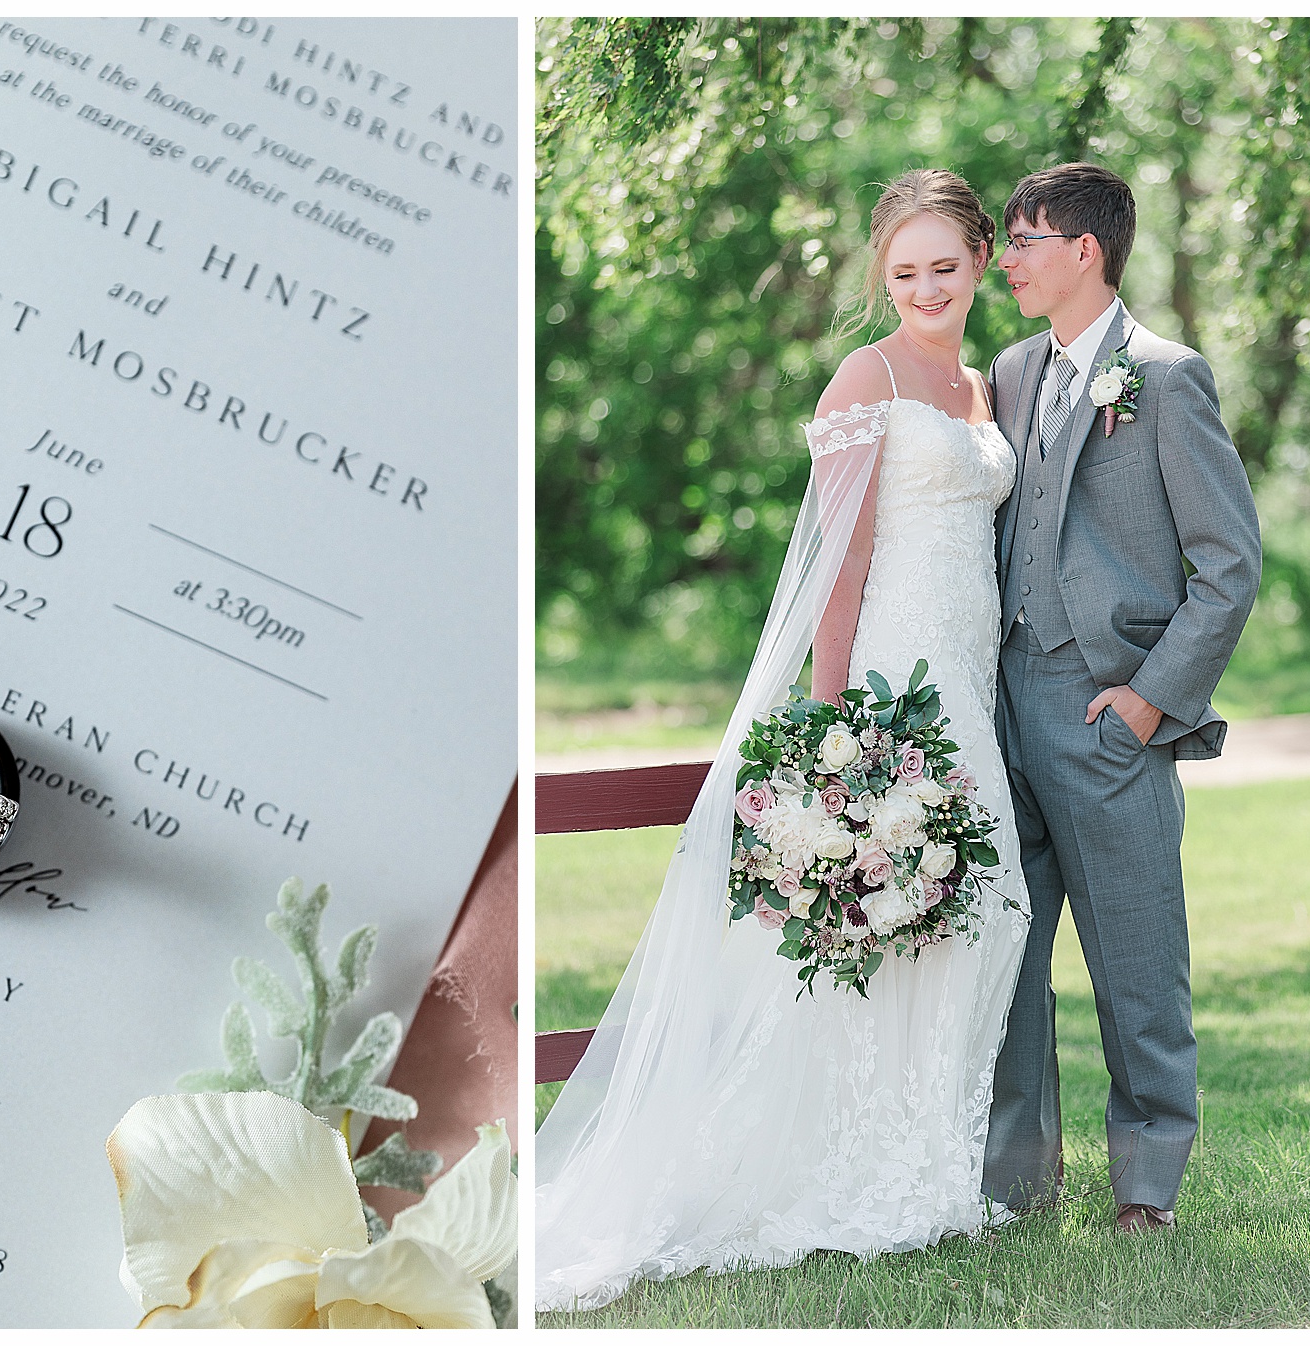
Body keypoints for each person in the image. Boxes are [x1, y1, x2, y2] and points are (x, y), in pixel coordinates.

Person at [535, 169, 1032, 1313]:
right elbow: (839, 558)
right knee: (887, 912)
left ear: (979, 256)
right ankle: (847, 1168)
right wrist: (832, 728)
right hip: (889, 677)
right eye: (903, 273)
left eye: (945, 268)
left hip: (970, 674)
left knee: (972, 906)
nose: (925, 289)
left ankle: (922, 1163)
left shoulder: (978, 385)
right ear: (883, 276)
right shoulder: (867, 377)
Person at [981, 163, 1261, 1231]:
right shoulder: (1010, 371)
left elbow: (1230, 562)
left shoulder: (1167, 376)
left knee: (1139, 963)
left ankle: (1147, 1186)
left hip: (1109, 714)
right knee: (1007, 963)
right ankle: (1017, 1184)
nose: (1007, 257)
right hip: (1003, 711)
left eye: (1023, 239)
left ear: (1084, 249)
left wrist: (1151, 700)